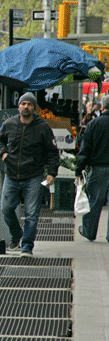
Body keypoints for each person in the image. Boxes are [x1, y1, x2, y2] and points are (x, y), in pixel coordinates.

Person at [0, 92, 60, 258]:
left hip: (34, 176)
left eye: (29, 104)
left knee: (32, 214)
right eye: (23, 104)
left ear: (34, 108)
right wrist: (3, 154)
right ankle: (17, 234)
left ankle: (27, 247)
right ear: (19, 107)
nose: (26, 107)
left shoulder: (42, 127)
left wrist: (52, 172)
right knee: (6, 209)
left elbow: (52, 152)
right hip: (12, 175)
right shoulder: (9, 124)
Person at [75, 95, 109, 242]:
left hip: (98, 168)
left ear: (102, 107)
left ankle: (89, 231)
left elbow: (86, 148)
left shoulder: (94, 124)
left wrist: (79, 168)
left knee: (94, 201)